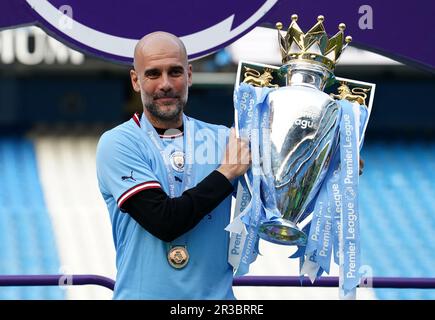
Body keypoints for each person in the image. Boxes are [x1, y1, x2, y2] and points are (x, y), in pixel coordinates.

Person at [96, 31, 250, 299]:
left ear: (189, 75)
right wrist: (226, 174)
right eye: (153, 74)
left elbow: (275, 204)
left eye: (175, 72)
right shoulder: (118, 143)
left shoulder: (225, 139)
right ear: (136, 80)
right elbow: (165, 222)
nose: (165, 84)